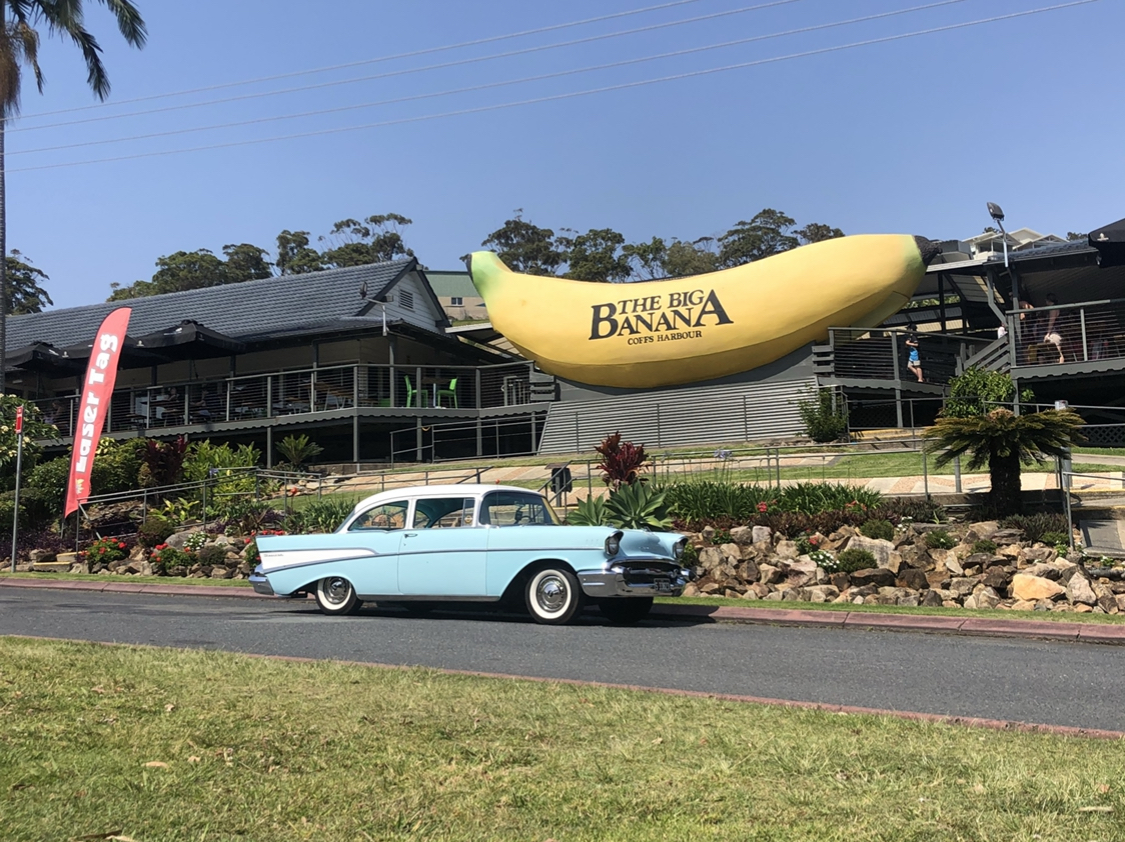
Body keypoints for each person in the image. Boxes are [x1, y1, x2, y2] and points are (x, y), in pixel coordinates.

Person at [1042, 293, 1066, 364]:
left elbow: (1051, 321)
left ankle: (1060, 366)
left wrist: (1048, 333)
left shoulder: (1053, 309)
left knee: (1057, 351)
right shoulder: (1056, 308)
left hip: (1055, 332)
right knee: (1056, 351)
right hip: (1058, 331)